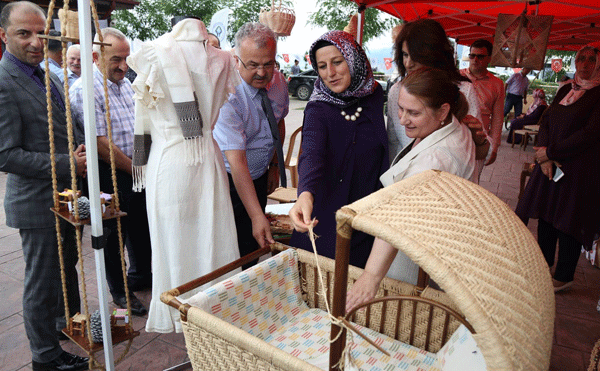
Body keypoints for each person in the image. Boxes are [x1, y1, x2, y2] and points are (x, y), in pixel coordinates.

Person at [128, 18, 241, 333]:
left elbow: (145, 119)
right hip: (202, 158)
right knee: (204, 241)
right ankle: (204, 321)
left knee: (192, 243)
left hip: (176, 160)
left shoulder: (160, 52)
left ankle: (195, 322)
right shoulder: (219, 58)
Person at [0, 2, 89, 370]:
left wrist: (80, 147)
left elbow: (61, 126)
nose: (37, 42)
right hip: (37, 204)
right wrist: (69, 162)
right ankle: (45, 359)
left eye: (42, 33)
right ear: (3, 36)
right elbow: (6, 155)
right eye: (25, 33)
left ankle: (59, 336)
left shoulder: (44, 75)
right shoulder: (5, 82)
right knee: (42, 284)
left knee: (64, 273)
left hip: (64, 197)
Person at [346, 67, 476, 311]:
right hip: (423, 247)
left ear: (443, 111)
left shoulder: (435, 160)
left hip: (411, 257)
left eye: (413, 112)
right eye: (400, 109)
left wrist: (371, 277)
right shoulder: (448, 127)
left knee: (401, 314)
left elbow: (399, 219)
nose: (403, 119)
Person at [288, 30, 388, 268]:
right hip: (326, 216)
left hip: (367, 214)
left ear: (353, 59)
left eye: (337, 62)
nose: (330, 73)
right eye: (322, 66)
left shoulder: (374, 95)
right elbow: (311, 153)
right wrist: (305, 193)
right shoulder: (318, 107)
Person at [70, 27, 151, 316]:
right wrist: (136, 169)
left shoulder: (125, 83)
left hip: (134, 167)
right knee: (114, 234)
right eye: (116, 59)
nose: (123, 66)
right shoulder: (85, 89)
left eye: (126, 59)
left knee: (140, 225)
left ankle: (141, 276)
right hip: (110, 172)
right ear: (95, 55)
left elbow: (137, 126)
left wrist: (140, 167)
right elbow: (100, 144)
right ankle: (120, 291)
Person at [516, 46, 600, 293]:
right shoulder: (566, 88)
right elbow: (548, 121)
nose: (585, 63)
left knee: (569, 221)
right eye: (581, 58)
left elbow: (590, 134)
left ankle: (564, 275)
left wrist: (550, 154)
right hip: (550, 165)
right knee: (547, 216)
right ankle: (543, 267)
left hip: (579, 170)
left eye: (591, 59)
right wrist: (543, 154)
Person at [213, 22, 288, 268]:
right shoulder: (227, 93)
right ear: (236, 59)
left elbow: (278, 121)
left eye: (268, 63)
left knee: (255, 247)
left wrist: (275, 165)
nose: (262, 73)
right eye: (253, 65)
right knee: (235, 247)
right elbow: (237, 161)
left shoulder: (278, 82)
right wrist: (257, 216)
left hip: (260, 174)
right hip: (229, 180)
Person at [386, 19, 483, 174]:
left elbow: (475, 153)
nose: (409, 63)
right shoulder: (397, 91)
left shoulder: (463, 90)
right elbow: (393, 143)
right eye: (405, 54)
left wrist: (481, 141)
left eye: (416, 56)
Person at [460, 39, 505, 180]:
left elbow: (498, 118)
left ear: (489, 59)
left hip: (479, 140)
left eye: (480, 56)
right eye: (472, 56)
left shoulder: (497, 84)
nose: (475, 60)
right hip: (457, 136)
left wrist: (494, 147)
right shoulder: (457, 76)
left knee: (472, 182)